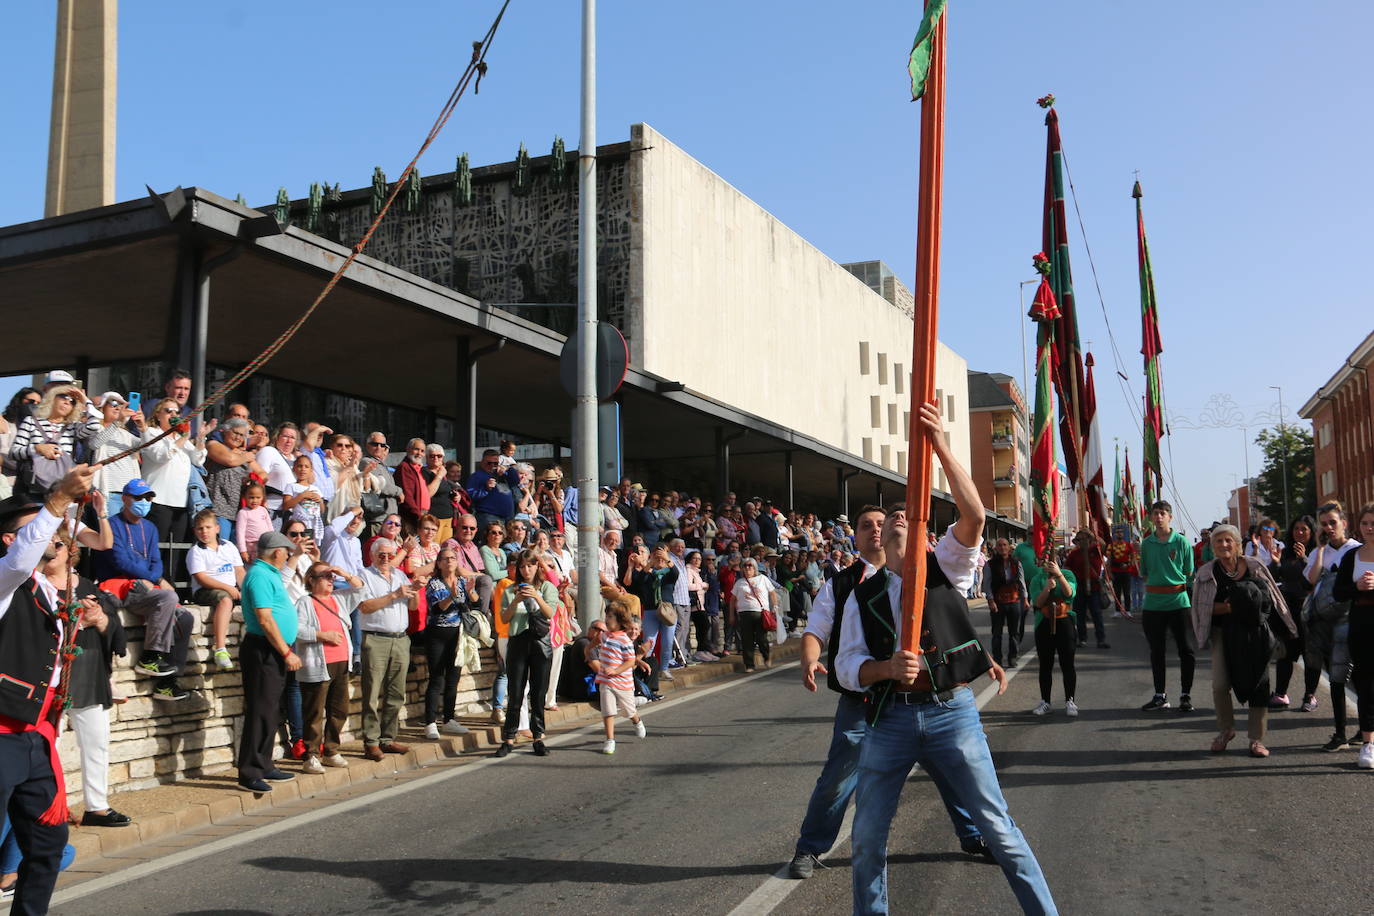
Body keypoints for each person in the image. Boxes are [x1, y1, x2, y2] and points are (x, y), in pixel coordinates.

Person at [837, 399, 1053, 916]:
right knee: (866, 840)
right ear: (876, 541)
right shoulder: (860, 596)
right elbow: (847, 667)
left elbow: (975, 514)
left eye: (906, 518)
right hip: (889, 721)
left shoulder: (946, 568)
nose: (896, 521)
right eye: (888, 519)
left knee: (997, 826)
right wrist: (885, 669)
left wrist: (941, 447)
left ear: (924, 534)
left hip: (951, 713)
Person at [0, 465, 98, 913]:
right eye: (35, 527)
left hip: (35, 737)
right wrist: (57, 498)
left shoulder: (47, 587)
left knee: (48, 845)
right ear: (9, 540)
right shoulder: (6, 580)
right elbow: (21, 560)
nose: (52, 532)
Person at [42, 531, 129, 829]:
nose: (53, 549)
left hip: (90, 672)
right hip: (49, 676)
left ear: (70, 551)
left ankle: (97, 806)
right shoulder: (34, 589)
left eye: (59, 544)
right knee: (47, 745)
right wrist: (78, 621)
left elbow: (116, 632)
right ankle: (48, 808)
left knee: (96, 744)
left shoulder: (90, 587)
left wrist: (101, 620)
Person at [1191, 525, 1295, 758]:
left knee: (1259, 685)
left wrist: (1289, 627)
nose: (1223, 545)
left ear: (1238, 543)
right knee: (1219, 685)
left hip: (1255, 634)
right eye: (1218, 541)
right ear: (1212, 546)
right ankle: (1226, 730)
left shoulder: (1255, 566)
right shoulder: (1206, 573)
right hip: (1222, 634)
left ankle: (1256, 740)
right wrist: (1231, 606)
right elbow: (1201, 607)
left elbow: (1273, 599)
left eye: (1228, 540)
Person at [92, 478, 194, 701]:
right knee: (167, 596)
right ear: (125, 499)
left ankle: (167, 683)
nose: (145, 502)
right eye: (139, 497)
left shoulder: (150, 527)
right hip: (119, 587)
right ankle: (150, 657)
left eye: (148, 497)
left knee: (185, 618)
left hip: (144, 587)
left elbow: (156, 561)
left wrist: (155, 577)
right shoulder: (112, 524)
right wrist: (151, 578)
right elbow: (121, 562)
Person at [235, 531, 302, 793]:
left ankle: (263, 763)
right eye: (286, 551)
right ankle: (249, 771)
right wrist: (286, 652)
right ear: (277, 552)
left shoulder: (269, 573)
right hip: (263, 650)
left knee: (270, 709)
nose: (287, 555)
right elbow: (264, 619)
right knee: (260, 710)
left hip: (270, 649)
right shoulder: (261, 576)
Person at [1306, 501, 1361, 751]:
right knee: (1335, 677)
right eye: (1324, 524)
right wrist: (1318, 549)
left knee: (1356, 677)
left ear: (1344, 524)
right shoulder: (1321, 551)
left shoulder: (1357, 550)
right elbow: (1312, 578)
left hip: (1352, 620)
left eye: (1333, 523)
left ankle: (1361, 731)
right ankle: (1340, 734)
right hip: (1324, 624)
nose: (1328, 527)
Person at [494, 549, 559, 758]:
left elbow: (550, 613)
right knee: (516, 693)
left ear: (537, 567)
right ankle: (508, 739)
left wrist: (535, 596)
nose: (526, 570)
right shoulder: (510, 589)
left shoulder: (547, 587)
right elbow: (504, 618)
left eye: (530, 565)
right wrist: (516, 600)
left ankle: (538, 737)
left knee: (538, 692)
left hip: (540, 641)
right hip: (518, 641)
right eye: (522, 566)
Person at [356, 538, 417, 761]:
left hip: (400, 639)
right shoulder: (364, 575)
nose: (386, 558)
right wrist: (394, 595)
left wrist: (415, 591)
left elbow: (412, 606)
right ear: (372, 555)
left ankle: (388, 738)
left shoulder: (400, 575)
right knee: (372, 693)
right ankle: (371, 741)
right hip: (376, 639)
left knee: (396, 692)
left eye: (390, 555)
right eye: (382, 554)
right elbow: (364, 607)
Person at [294, 562, 356, 774]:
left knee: (339, 710)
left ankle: (331, 750)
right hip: (317, 664)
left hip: (341, 663)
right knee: (314, 712)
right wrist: (322, 635)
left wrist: (343, 572)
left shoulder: (338, 599)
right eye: (325, 576)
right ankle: (311, 754)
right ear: (311, 580)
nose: (330, 580)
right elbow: (296, 629)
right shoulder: (304, 602)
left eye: (332, 576)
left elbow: (360, 589)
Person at [1138, 501, 1196, 712]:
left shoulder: (1182, 542)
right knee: (1156, 651)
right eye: (1155, 513)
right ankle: (1160, 695)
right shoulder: (1146, 543)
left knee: (1185, 649)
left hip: (1178, 602)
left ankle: (1185, 694)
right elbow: (1144, 571)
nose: (1159, 517)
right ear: (1151, 517)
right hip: (1153, 604)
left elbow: (1189, 572)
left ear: (1170, 517)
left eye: (1162, 513)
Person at [1332, 504, 1374, 769]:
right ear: (1359, 526)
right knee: (1366, 683)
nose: (1370, 528)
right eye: (1366, 523)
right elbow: (1338, 592)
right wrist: (1357, 587)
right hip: (1361, 624)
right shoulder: (1352, 556)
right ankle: (1369, 743)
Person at [422, 548, 476, 739]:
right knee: (437, 678)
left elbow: (472, 603)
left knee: (453, 678)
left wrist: (471, 593)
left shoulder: (461, 581)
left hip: (457, 633)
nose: (449, 561)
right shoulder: (434, 583)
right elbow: (437, 609)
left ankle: (449, 719)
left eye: (453, 558)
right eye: (445, 559)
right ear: (439, 563)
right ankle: (430, 722)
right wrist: (450, 595)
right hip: (438, 633)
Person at [140, 398, 209, 546]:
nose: (173, 414)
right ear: (158, 415)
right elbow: (161, 456)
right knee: (157, 545)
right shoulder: (151, 433)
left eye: (177, 412)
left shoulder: (179, 438)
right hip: (158, 500)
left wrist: (201, 438)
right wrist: (183, 439)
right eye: (168, 411)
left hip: (181, 503)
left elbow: (198, 460)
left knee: (176, 549)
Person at [187, 507, 244, 671]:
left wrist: (247, 589)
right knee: (225, 600)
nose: (204, 532)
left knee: (255, 600)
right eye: (200, 528)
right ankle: (220, 649)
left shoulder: (229, 546)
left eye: (208, 527)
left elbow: (239, 571)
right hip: (206, 590)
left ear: (217, 528)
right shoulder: (196, 551)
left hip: (230, 588)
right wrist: (228, 588)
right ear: (195, 531)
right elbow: (202, 578)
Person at [1268, 515, 1316, 710]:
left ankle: (1309, 696)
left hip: (1309, 609)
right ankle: (1281, 694)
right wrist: (1276, 562)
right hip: (1288, 609)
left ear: (1311, 532)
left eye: (1304, 529)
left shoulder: (1316, 552)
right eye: (1296, 529)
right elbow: (1275, 576)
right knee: (1285, 653)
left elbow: (1313, 577)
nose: (1300, 532)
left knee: (1310, 654)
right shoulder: (1285, 552)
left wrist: (1304, 558)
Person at [8, 385, 87, 501]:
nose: (67, 402)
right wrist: (37, 449)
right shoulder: (31, 421)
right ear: (52, 398)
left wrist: (85, 401)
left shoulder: (73, 427)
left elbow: (94, 426)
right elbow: (13, 453)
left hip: (62, 490)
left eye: (72, 401)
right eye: (63, 397)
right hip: (32, 490)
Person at [1028, 555, 1078, 717]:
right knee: (1045, 664)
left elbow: (1069, 593)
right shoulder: (1036, 579)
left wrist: (1059, 575)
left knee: (1067, 663)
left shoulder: (1067, 574)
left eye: (1051, 558)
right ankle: (1045, 701)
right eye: (1043, 559)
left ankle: (1070, 700)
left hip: (1065, 622)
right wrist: (1047, 588)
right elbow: (1037, 602)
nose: (1048, 562)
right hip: (1044, 622)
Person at [80, 392, 143, 518]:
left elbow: (148, 447)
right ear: (102, 408)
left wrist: (143, 427)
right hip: (109, 493)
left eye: (120, 405)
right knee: (111, 534)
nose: (117, 407)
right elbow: (95, 443)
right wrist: (118, 422)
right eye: (113, 403)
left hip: (131, 494)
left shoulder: (126, 434)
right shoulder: (96, 428)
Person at [596, 600, 647, 755]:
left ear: (619, 620)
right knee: (608, 710)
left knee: (628, 711)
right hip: (605, 680)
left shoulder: (625, 640)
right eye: (606, 615)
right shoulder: (605, 636)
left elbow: (630, 661)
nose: (606, 619)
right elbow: (596, 640)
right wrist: (588, 649)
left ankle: (637, 721)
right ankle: (610, 739)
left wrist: (616, 670)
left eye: (610, 616)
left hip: (623, 682)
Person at [204, 418, 263, 541]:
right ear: (225, 431)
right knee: (220, 548)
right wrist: (246, 456)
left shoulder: (243, 454)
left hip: (240, 513)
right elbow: (230, 460)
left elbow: (263, 475)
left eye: (242, 435)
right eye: (235, 433)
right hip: (219, 511)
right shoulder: (215, 445)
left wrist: (251, 481)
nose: (238, 438)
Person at [983, 538, 1028, 668]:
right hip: (998, 602)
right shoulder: (990, 564)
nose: (1002, 547)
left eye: (1004, 545)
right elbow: (987, 583)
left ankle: (1012, 657)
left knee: (1014, 632)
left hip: (1014, 601)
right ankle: (997, 659)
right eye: (999, 545)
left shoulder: (1016, 563)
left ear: (1009, 547)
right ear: (996, 548)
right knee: (997, 633)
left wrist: (1024, 598)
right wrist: (991, 601)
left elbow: (1021, 581)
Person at [1065, 530, 1109, 649]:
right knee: (1080, 615)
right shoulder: (1074, 554)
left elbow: (1104, 544)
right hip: (1079, 587)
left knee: (1097, 614)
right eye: (1079, 540)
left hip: (1094, 587)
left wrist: (1092, 534)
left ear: (1089, 540)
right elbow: (1067, 567)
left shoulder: (1096, 550)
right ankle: (1082, 639)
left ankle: (1101, 639)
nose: (1081, 542)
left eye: (1084, 539)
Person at [467, 449, 522, 532]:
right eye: (489, 463)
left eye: (495, 463)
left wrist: (508, 469)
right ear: (482, 462)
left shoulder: (502, 474)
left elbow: (516, 481)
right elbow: (470, 496)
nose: (492, 465)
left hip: (508, 518)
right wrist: (486, 488)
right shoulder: (476, 476)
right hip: (489, 517)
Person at [255, 423, 301, 517]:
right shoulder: (269, 451)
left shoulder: (297, 459)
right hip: (272, 509)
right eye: (285, 436)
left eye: (292, 437)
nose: (289, 441)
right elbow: (258, 479)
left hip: (294, 512)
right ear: (277, 437)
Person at [395, 438, 437, 534]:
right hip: (412, 517)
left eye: (422, 451)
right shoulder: (404, 467)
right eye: (416, 449)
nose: (419, 453)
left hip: (421, 514)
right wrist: (418, 516)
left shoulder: (417, 468)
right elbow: (407, 495)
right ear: (408, 449)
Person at [282, 454, 326, 542]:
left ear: (311, 470)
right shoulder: (291, 486)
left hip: (313, 525)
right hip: (299, 524)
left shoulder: (316, 489)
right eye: (300, 466)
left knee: (310, 547)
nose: (303, 469)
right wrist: (301, 496)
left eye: (306, 467)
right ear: (294, 469)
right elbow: (286, 505)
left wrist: (320, 501)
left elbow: (322, 510)